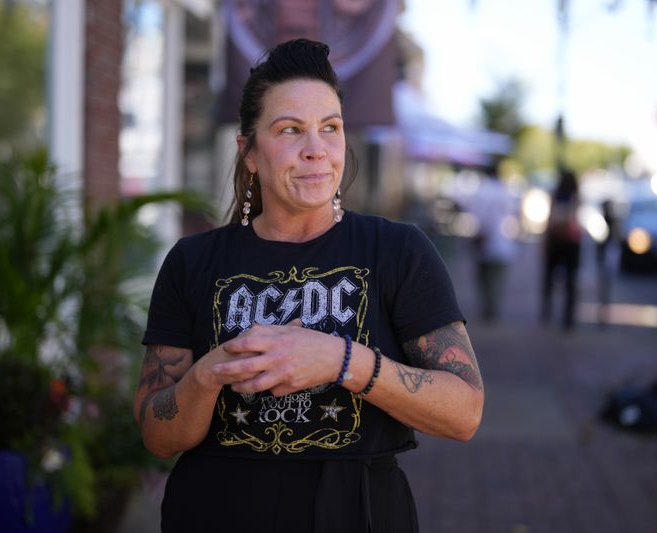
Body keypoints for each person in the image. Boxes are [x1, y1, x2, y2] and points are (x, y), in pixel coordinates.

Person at [134, 39, 484, 533]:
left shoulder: (397, 251)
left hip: (356, 513)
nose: (316, 148)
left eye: (330, 128)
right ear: (249, 152)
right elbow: (156, 433)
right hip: (215, 510)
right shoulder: (193, 262)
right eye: (290, 130)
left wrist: (340, 360)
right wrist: (209, 374)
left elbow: (464, 411)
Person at [469, 165, 519, 322]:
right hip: (502, 241)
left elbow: (476, 215)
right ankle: (493, 306)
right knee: (497, 277)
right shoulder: (506, 191)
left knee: (483, 276)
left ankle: (487, 306)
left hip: (484, 240)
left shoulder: (482, 191)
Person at [541, 169, 582, 329]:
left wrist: (546, 239)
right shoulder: (575, 196)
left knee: (550, 279)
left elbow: (550, 219)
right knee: (570, 281)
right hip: (570, 242)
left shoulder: (557, 195)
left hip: (556, 240)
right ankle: (568, 316)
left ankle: (548, 312)